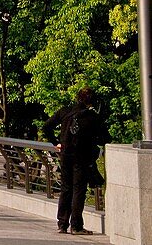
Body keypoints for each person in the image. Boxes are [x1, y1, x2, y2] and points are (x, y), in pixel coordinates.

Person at [43, 87, 107, 235]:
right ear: (91, 101)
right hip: (82, 157)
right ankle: (76, 226)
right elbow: (104, 137)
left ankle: (62, 224)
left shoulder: (65, 111)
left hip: (65, 155)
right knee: (79, 190)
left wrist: (55, 142)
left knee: (66, 188)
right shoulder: (92, 117)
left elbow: (46, 126)